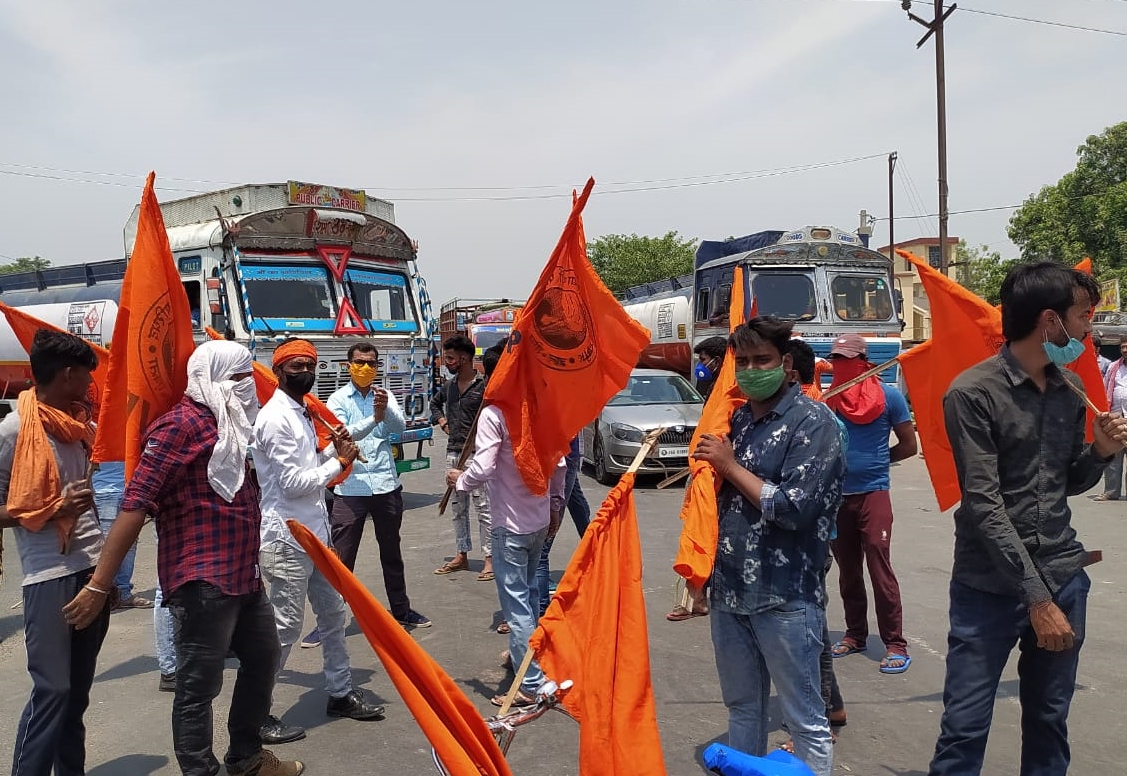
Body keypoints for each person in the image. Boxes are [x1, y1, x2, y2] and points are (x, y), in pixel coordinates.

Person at [63, 339, 303, 776]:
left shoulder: (229, 426)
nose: (248, 386)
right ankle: (200, 771)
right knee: (198, 686)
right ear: (211, 381)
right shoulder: (179, 427)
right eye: (239, 378)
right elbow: (135, 504)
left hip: (243, 577)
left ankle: (246, 759)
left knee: (264, 658)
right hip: (201, 581)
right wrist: (101, 584)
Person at [927, 262, 1127, 776]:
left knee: (1048, 720)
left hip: (1063, 575)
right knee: (965, 728)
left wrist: (1100, 452)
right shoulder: (973, 393)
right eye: (1084, 316)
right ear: (1049, 321)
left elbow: (1068, 483)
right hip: (988, 588)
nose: (1091, 329)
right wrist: (1036, 599)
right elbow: (984, 503)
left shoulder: (1066, 389)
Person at [693, 317, 844, 776]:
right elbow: (717, 507)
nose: (753, 370)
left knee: (805, 720)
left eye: (763, 360)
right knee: (743, 708)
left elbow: (796, 508)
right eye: (744, 362)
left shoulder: (815, 423)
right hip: (731, 591)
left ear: (787, 366)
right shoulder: (736, 420)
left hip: (786, 596)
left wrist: (729, 466)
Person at [253, 338, 386, 744]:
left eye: (309, 365)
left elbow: (314, 461)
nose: (304, 372)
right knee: (285, 627)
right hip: (287, 537)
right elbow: (293, 484)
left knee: (333, 617)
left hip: (314, 534)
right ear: (278, 371)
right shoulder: (276, 417)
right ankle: (255, 713)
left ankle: (340, 692)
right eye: (295, 366)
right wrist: (340, 462)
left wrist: (336, 452)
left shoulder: (302, 411)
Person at [0, 329, 107, 776]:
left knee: (76, 695)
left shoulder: (82, 428)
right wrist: (51, 509)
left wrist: (106, 576)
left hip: (91, 568)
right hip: (48, 575)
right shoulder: (14, 429)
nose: (89, 387)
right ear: (67, 375)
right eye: (85, 377)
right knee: (54, 690)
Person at [446, 343, 566, 707]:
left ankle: (530, 684)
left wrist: (459, 480)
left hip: (510, 526)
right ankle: (525, 659)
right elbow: (559, 464)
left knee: (517, 608)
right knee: (528, 598)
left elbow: (481, 469)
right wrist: (556, 505)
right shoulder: (541, 410)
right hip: (538, 521)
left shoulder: (495, 414)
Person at [825, 333, 916, 674]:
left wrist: (880, 462)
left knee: (879, 565)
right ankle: (855, 634)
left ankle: (895, 642)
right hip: (836, 497)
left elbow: (909, 445)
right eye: (836, 359)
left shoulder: (889, 397)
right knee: (848, 571)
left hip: (873, 493)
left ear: (863, 361)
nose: (841, 365)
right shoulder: (828, 400)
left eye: (847, 359)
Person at [325, 342, 430, 629]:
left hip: (385, 484)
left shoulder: (384, 396)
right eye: (360, 362)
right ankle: (331, 620)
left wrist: (385, 411)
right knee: (342, 558)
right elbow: (344, 435)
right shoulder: (337, 400)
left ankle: (401, 610)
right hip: (351, 487)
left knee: (391, 553)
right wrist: (375, 418)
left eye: (372, 363)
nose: (366, 368)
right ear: (348, 366)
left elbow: (399, 428)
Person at [431, 335, 493, 579]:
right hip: (453, 453)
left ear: (465, 358)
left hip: (477, 455)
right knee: (458, 508)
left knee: (484, 508)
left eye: (450, 358)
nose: (446, 362)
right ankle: (462, 554)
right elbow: (434, 404)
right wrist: (443, 422)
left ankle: (489, 559)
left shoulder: (484, 387)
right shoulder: (449, 387)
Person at [92, 460, 153, 610]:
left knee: (129, 544)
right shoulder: (93, 436)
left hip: (129, 489)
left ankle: (123, 592)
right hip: (105, 491)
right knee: (107, 545)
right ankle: (104, 593)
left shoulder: (132, 436)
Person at [1096, 339, 1127, 501]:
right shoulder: (1113, 366)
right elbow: (1105, 386)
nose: (1125, 350)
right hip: (1116, 416)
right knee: (1113, 456)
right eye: (1123, 347)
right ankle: (1111, 491)